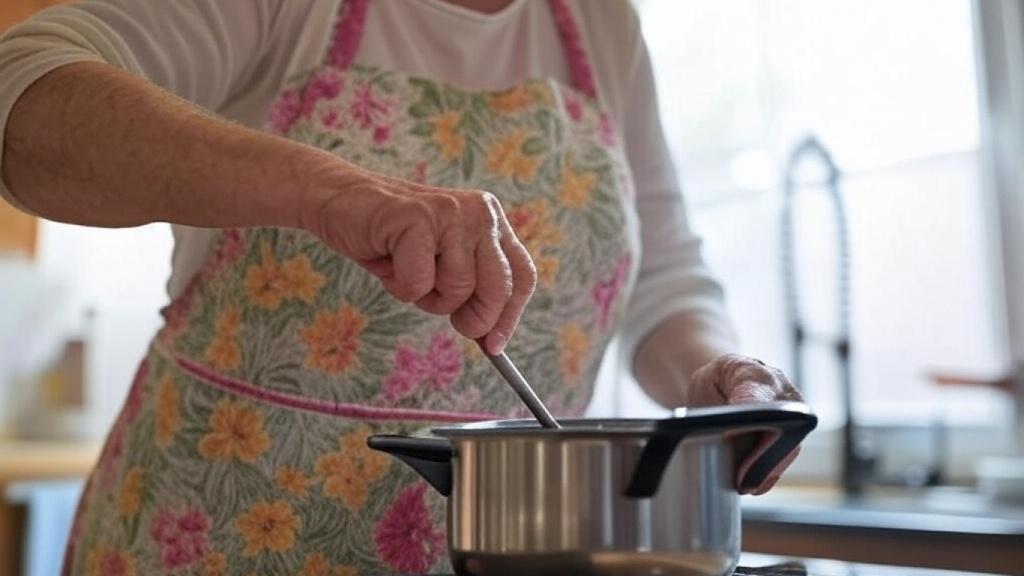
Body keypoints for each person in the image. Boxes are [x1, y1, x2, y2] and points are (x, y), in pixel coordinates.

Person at [0, 0, 804, 573]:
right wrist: (335, 193)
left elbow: (666, 284)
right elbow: (23, 92)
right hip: (217, 542)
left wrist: (719, 377)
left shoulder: (603, 23)